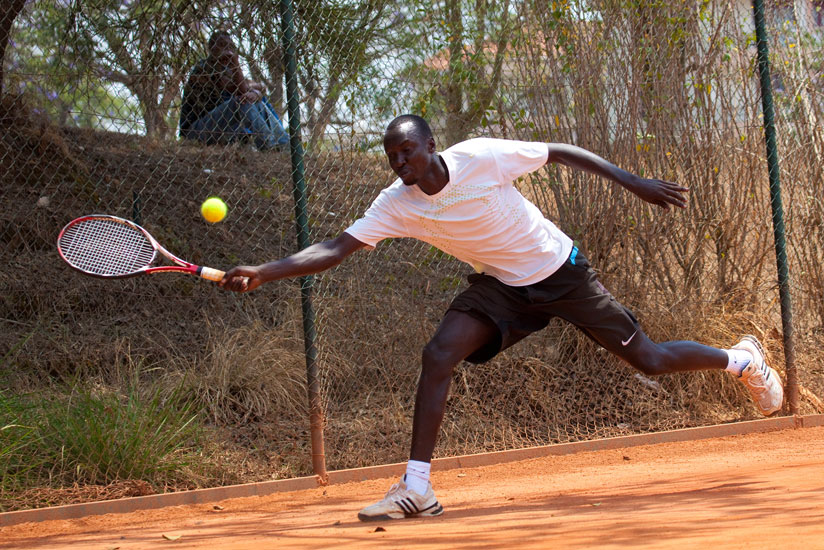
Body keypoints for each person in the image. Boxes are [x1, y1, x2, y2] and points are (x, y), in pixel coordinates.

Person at [219, 114, 784, 521]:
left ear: (431, 146)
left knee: (650, 359)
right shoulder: (396, 202)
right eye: (392, 157)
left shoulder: (482, 157)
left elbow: (558, 150)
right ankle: (418, 487)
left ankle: (741, 360)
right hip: (503, 287)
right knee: (439, 353)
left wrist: (632, 182)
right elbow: (336, 247)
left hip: (560, 271)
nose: (400, 164)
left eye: (407, 152)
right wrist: (267, 271)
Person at [179, 31, 289, 151]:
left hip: (222, 127)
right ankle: (269, 146)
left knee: (257, 102)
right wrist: (235, 64)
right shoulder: (205, 67)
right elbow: (238, 90)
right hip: (195, 130)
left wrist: (255, 93)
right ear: (211, 48)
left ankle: (286, 145)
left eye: (229, 45)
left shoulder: (227, 69)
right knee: (242, 101)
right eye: (222, 44)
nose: (226, 48)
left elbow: (250, 88)